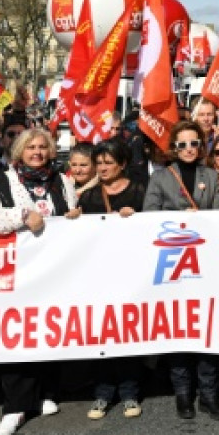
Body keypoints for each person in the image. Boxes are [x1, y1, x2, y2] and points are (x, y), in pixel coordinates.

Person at [142, 121, 219, 420]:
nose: (189, 149)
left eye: (194, 144)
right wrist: (181, 219)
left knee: (207, 328)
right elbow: (149, 216)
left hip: (204, 262)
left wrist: (201, 220)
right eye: (182, 145)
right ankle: (183, 394)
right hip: (173, 264)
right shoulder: (162, 177)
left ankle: (209, 394)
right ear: (173, 149)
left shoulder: (211, 175)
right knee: (179, 329)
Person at [0, 134, 54, 435]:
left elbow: (70, 214)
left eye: (42, 147)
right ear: (20, 151)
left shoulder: (60, 181)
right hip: (15, 272)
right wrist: (21, 214)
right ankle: (16, 406)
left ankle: (45, 393)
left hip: (51, 272)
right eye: (31, 147)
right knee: (17, 335)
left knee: (49, 330)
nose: (37, 152)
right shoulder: (1, 181)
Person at [66, 140, 145, 419]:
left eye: (108, 163)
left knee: (127, 333)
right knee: (102, 332)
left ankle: (129, 392)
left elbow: (151, 228)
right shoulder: (88, 197)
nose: (102, 168)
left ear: (122, 164)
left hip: (130, 275)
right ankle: (102, 393)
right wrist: (74, 219)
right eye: (99, 163)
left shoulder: (138, 191)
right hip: (98, 276)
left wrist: (136, 218)